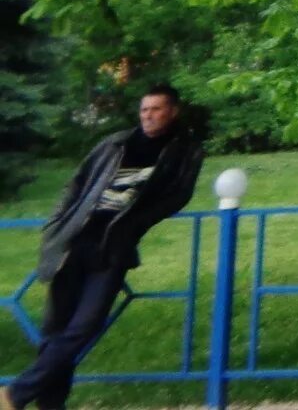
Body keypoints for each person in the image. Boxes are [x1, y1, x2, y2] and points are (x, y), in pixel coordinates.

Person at [3, 85, 204, 410]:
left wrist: (135, 225)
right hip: (73, 242)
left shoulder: (186, 151)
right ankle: (48, 405)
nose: (148, 116)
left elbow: (178, 195)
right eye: (144, 110)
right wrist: (56, 224)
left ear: (173, 111)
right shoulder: (115, 143)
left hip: (113, 248)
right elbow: (77, 183)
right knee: (56, 332)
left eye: (156, 109)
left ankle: (14, 395)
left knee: (84, 327)